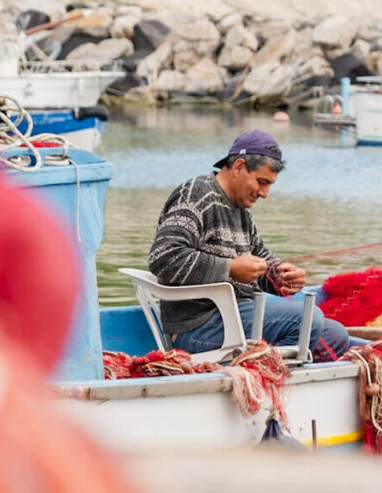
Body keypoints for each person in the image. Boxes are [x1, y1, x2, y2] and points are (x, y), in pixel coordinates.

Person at [148, 130, 350, 361]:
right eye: (261, 182)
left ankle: (269, 379)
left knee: (336, 335)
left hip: (238, 314)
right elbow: (163, 257)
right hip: (198, 328)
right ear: (239, 167)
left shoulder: (241, 210)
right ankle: (261, 379)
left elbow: (261, 261)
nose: (265, 193)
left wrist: (282, 276)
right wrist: (230, 267)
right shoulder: (195, 196)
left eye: (269, 185)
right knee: (308, 320)